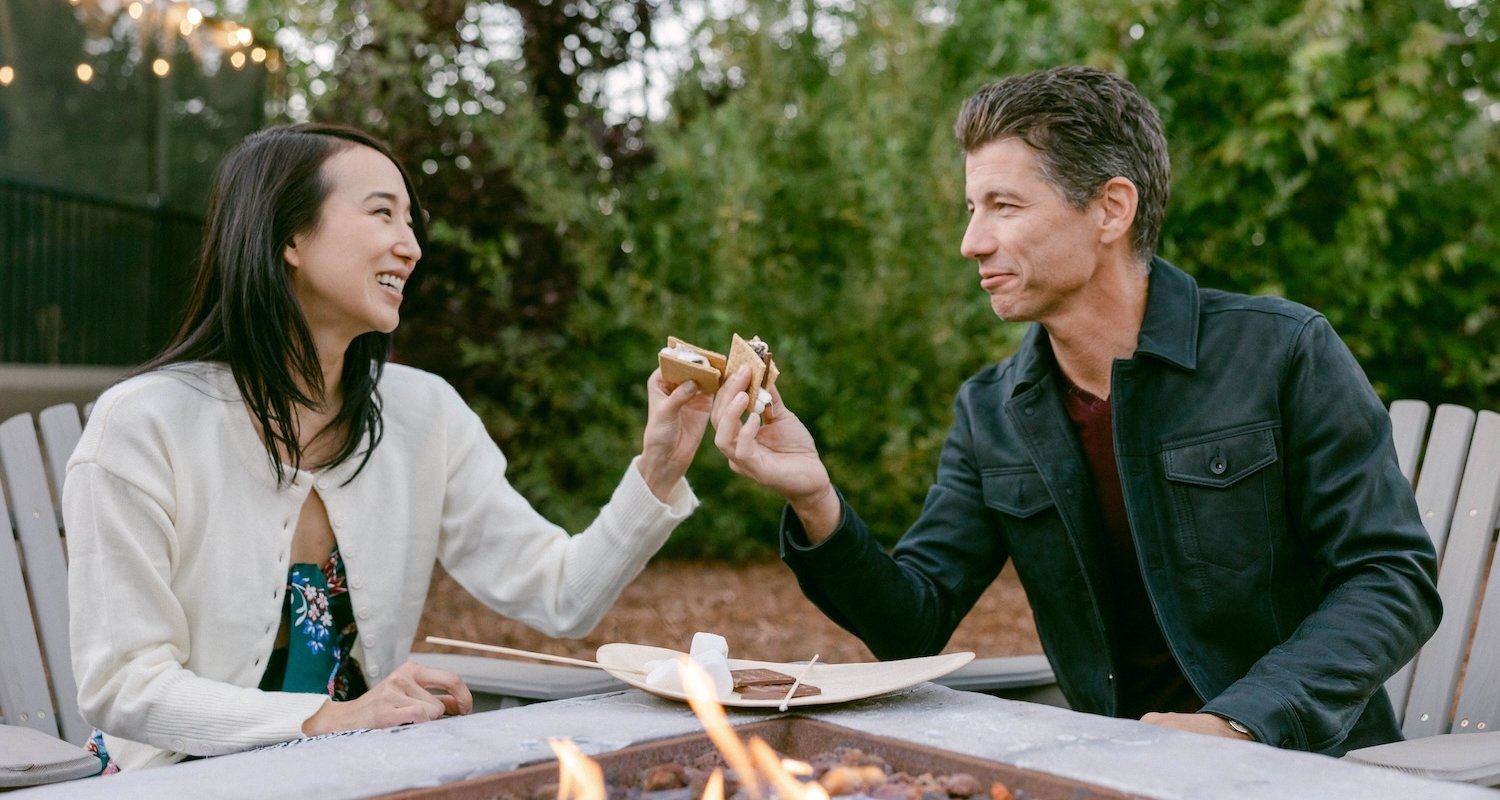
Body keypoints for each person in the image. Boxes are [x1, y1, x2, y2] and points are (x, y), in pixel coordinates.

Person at [709, 66, 1441, 756]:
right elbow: (913, 623)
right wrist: (815, 498)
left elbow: (1391, 576)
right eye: (972, 209)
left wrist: (1242, 721)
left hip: (1308, 768)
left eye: (1004, 206)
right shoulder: (992, 411)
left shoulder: (1283, 354)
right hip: (1109, 770)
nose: (972, 243)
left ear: (1110, 210)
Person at [63, 123, 711, 771]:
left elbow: (561, 595)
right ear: (289, 236)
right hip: (176, 780)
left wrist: (659, 467)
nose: (411, 247)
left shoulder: (423, 415)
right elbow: (125, 682)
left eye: (412, 223)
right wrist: (330, 718)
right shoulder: (145, 426)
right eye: (383, 214)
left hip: (359, 771)